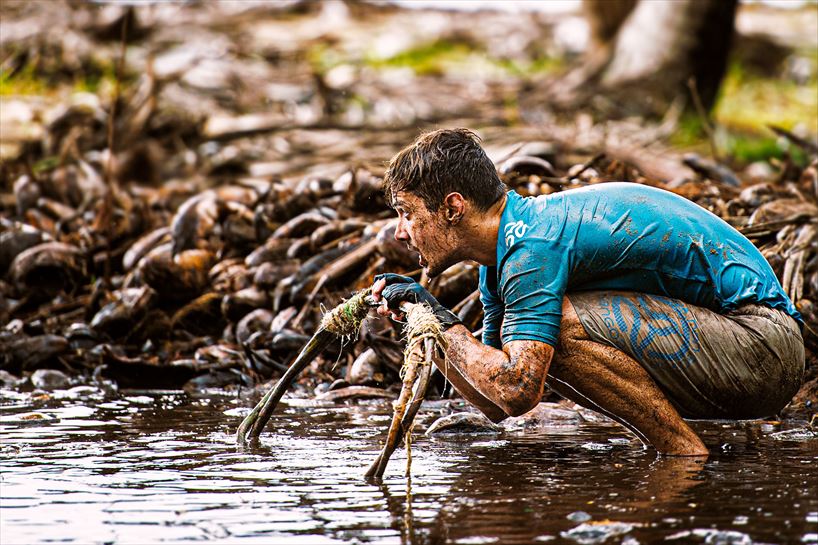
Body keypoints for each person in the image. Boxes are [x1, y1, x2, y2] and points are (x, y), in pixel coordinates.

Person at [371, 128, 805, 456]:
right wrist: (425, 325)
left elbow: (519, 386)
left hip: (764, 347)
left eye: (407, 214)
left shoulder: (531, 247)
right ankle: (680, 454)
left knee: (553, 330)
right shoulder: (500, 261)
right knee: (531, 342)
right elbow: (497, 403)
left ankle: (682, 457)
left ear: (452, 207)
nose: (400, 232)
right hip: (737, 348)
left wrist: (443, 324)